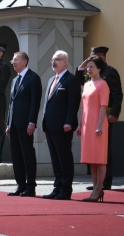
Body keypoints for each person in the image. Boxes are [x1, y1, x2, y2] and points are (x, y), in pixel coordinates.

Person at [76, 46, 123, 191]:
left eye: (96, 58)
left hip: (103, 116)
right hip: (89, 120)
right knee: (93, 153)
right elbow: (79, 81)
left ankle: (105, 182)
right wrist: (80, 68)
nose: (90, 66)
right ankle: (97, 184)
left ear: (103, 57)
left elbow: (117, 94)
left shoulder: (110, 73)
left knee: (103, 151)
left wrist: (114, 113)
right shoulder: (89, 79)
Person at [42, 51, 81, 200]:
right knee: (55, 158)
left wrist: (68, 122)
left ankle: (65, 189)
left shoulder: (72, 80)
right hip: (50, 125)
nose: (53, 61)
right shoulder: (52, 79)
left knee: (64, 158)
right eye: (52, 59)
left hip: (63, 126)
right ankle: (57, 187)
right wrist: (44, 123)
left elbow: (73, 104)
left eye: (57, 59)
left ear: (65, 62)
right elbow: (47, 103)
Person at [5, 51, 42, 197]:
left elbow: (35, 102)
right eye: (12, 60)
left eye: (16, 60)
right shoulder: (15, 80)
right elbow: (11, 104)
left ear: (24, 62)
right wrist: (8, 123)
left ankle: (30, 186)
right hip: (14, 124)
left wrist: (32, 122)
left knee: (27, 155)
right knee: (16, 156)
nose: (13, 62)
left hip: (26, 123)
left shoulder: (33, 78)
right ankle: (20, 185)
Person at [77, 55, 110, 202]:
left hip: (98, 125)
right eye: (88, 66)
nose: (89, 69)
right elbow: (84, 108)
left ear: (99, 69)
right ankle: (96, 189)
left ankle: (98, 190)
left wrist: (99, 125)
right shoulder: (87, 84)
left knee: (100, 159)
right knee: (92, 159)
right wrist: (80, 124)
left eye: (92, 66)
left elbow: (103, 106)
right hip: (87, 125)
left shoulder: (103, 84)